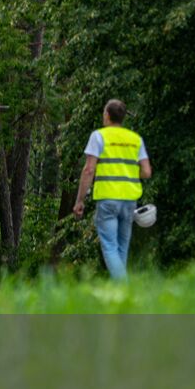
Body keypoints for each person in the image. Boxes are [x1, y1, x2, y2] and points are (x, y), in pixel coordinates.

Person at [74, 99, 152, 280]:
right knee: (122, 247)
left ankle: (123, 287)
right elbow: (146, 172)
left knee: (109, 246)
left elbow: (89, 170)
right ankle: (121, 294)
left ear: (107, 115)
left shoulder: (98, 136)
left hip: (108, 198)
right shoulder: (135, 139)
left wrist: (79, 201)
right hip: (130, 200)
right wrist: (127, 172)